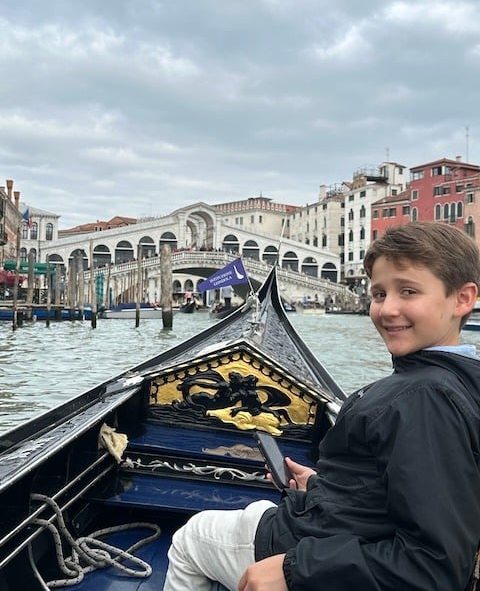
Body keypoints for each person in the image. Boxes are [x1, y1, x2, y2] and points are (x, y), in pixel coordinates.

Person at [163, 221, 480, 591]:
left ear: (462, 298)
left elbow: (432, 567)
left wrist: (293, 570)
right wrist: (319, 486)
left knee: (192, 537)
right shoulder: (450, 382)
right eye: (378, 294)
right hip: (331, 525)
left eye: (407, 291)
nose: (387, 309)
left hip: (317, 551)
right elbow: (399, 494)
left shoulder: (422, 399)